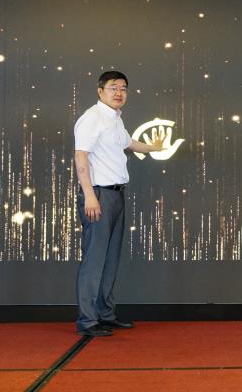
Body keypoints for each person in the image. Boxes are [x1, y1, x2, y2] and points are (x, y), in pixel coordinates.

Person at [73, 70, 164, 336]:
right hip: (98, 195)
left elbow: (130, 143)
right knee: (94, 260)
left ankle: (105, 314)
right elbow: (81, 157)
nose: (119, 92)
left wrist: (155, 148)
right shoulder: (92, 117)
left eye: (123, 88)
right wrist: (90, 195)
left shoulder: (115, 119)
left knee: (110, 259)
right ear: (100, 90)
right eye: (113, 87)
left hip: (116, 195)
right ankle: (87, 320)